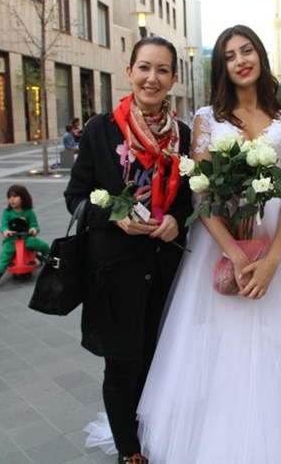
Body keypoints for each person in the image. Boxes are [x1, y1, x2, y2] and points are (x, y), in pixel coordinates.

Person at [135, 25, 281, 463]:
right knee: (223, 347)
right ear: (222, 67)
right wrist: (235, 252)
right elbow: (202, 194)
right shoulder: (207, 118)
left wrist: (273, 259)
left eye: (247, 50)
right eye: (229, 55)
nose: (241, 60)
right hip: (222, 243)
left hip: (280, 245)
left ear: (260, 55)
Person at [64, 36, 193, 464]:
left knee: (156, 359)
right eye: (144, 67)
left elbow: (189, 200)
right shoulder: (101, 129)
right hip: (114, 270)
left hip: (164, 267)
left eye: (162, 70)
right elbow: (76, 197)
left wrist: (178, 220)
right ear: (129, 72)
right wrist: (114, 216)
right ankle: (128, 448)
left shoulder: (183, 136)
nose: (151, 78)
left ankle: (151, 432)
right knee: (122, 363)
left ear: (173, 79)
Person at [0, 184, 50, 286]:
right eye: (9, 197)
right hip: (11, 240)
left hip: (26, 238)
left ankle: (50, 256)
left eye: (15, 196)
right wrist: (5, 231)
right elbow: (3, 225)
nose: (11, 199)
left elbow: (35, 225)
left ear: (23, 198)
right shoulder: (7, 213)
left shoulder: (29, 212)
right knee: (6, 252)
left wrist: (34, 229)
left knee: (40, 244)